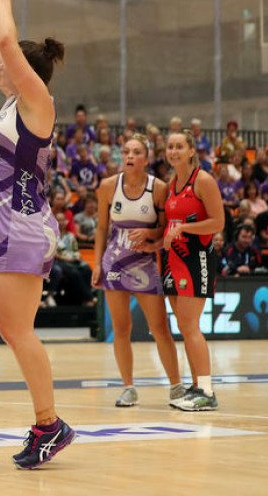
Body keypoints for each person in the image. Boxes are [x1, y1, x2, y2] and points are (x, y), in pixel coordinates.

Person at [0, 0, 73, 469]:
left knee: (18, 331)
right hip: (11, 226)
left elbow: (6, 42)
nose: (0, 65)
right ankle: (47, 422)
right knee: (12, 329)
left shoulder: (38, 102)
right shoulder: (14, 101)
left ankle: (49, 424)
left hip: (25, 223)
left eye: (8, 66)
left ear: (24, 73)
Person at [92, 136, 183, 408]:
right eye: (126, 152)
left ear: (146, 158)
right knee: (121, 328)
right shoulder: (108, 186)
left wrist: (149, 231)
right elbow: (100, 228)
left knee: (160, 329)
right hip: (115, 264)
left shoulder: (159, 188)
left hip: (145, 264)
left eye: (136, 152)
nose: (129, 156)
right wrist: (96, 263)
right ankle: (128, 387)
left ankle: (176, 386)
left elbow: (165, 228)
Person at [154, 130, 225, 411]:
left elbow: (218, 222)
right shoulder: (172, 183)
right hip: (174, 260)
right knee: (184, 326)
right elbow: (171, 226)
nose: (173, 151)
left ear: (192, 150)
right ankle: (198, 387)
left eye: (179, 147)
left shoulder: (203, 181)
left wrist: (184, 228)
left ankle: (207, 391)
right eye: (170, 147)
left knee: (191, 326)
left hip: (197, 257)